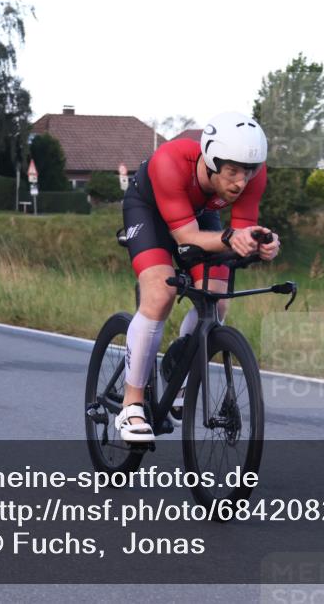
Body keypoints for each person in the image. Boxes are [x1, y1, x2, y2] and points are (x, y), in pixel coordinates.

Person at [117, 111, 280, 443]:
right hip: (149, 211)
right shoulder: (170, 161)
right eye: (231, 171)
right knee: (160, 293)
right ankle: (131, 403)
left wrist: (262, 244)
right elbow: (185, 237)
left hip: (200, 215)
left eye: (247, 172)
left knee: (216, 302)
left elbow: (242, 232)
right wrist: (230, 239)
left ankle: (178, 363)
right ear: (210, 159)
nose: (239, 182)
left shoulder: (252, 178)